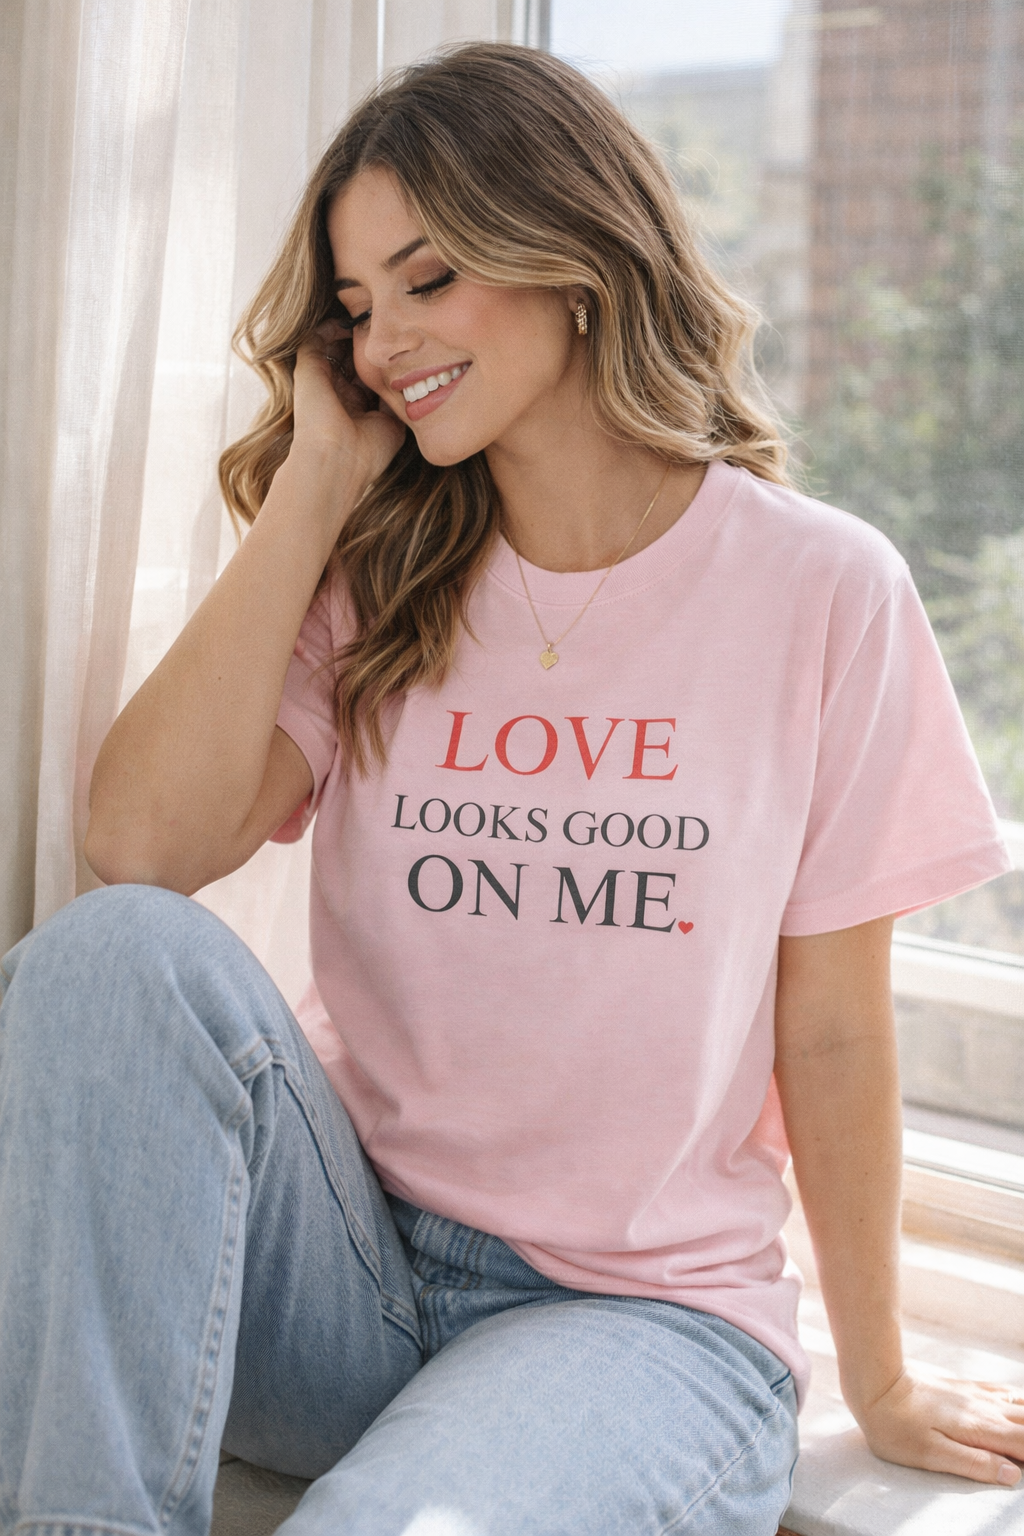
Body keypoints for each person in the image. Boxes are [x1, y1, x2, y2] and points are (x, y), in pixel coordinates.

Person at [1, 42, 1021, 1536]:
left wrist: (880, 1379)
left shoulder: (822, 591)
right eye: (355, 308)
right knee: (103, 957)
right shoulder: (384, 575)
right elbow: (136, 847)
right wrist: (317, 487)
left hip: (634, 1325)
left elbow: (835, 1029)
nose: (385, 339)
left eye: (428, 280)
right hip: (348, 1282)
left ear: (572, 257)